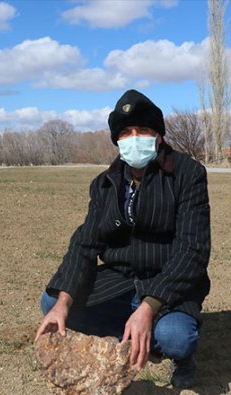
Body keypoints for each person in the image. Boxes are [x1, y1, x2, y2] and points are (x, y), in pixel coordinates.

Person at [34, 89, 211, 389]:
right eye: (126, 133)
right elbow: (85, 243)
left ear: (158, 135)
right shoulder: (105, 183)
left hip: (167, 281)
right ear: (117, 140)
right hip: (120, 279)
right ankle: (134, 334)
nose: (134, 138)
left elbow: (192, 250)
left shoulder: (188, 174)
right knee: (51, 300)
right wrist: (64, 300)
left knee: (176, 338)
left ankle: (165, 343)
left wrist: (148, 306)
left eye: (143, 130)